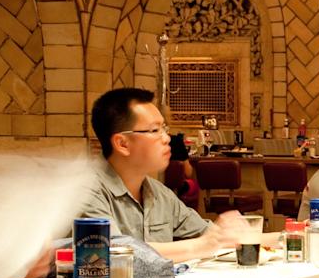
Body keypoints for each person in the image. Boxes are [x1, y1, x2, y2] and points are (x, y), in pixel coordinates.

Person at [79, 88, 242, 262]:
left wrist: (266, 238)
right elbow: (112, 253)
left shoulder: (159, 193)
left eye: (164, 128)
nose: (167, 138)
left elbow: (210, 235)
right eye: (155, 130)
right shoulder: (84, 191)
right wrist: (202, 245)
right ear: (122, 143)